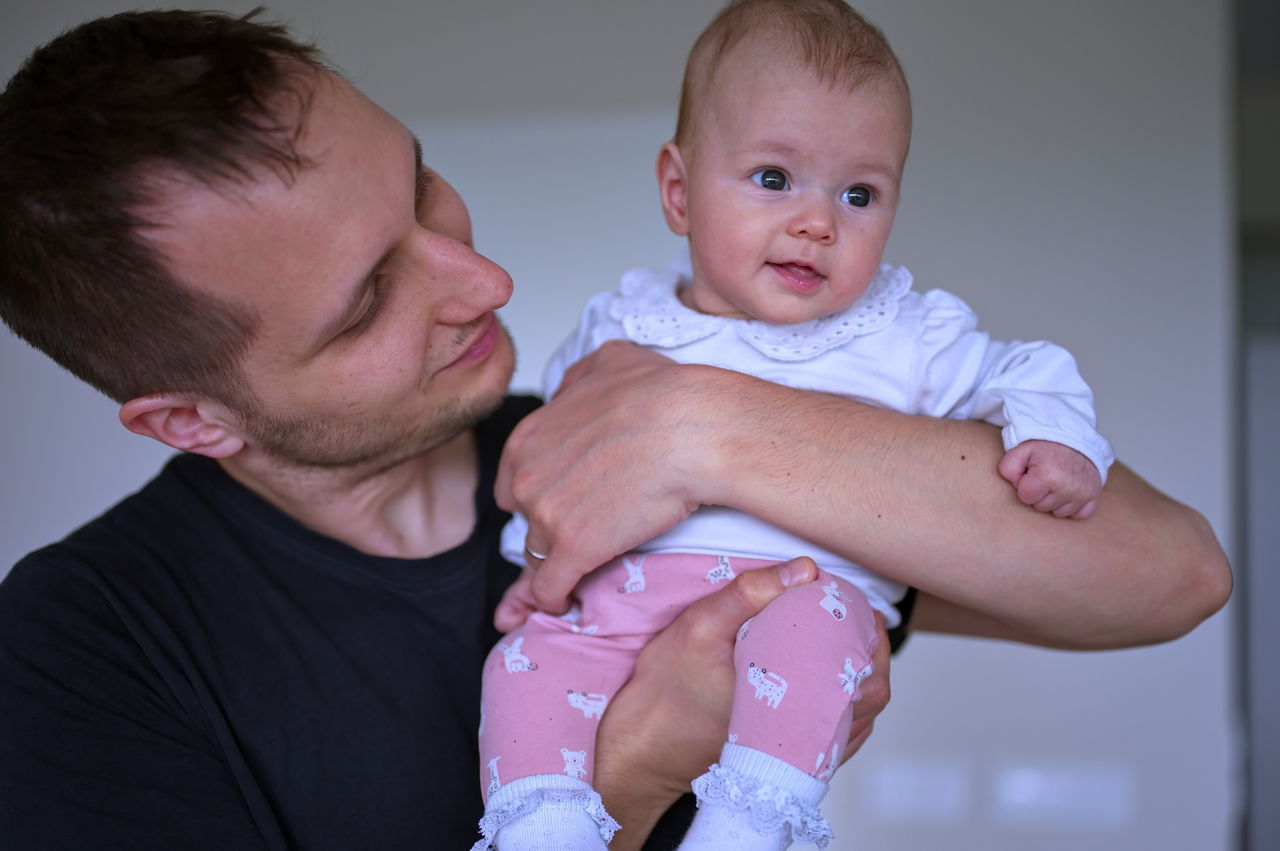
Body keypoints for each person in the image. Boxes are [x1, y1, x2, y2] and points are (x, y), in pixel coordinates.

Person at [0, 7, 1228, 851]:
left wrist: (710, 425)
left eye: (424, 182)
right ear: (191, 418)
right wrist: (629, 775)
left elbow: (1168, 573)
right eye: (371, 295)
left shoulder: (610, 437)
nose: (477, 278)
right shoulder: (83, 652)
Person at [482, 2, 1112, 849]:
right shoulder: (621, 324)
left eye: (860, 193)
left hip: (798, 593)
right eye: (775, 177)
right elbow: (564, 455)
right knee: (523, 660)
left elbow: (1026, 369)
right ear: (678, 190)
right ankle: (544, 823)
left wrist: (1058, 440)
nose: (819, 221)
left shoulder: (902, 332)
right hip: (615, 608)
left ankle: (747, 823)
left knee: (817, 628)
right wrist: (537, 566)